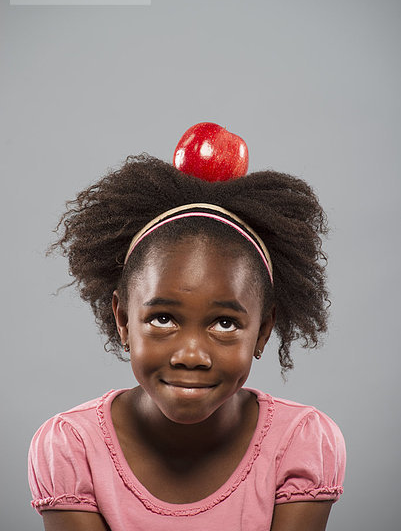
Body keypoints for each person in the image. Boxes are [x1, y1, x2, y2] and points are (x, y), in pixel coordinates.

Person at [28, 142, 346, 531]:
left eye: (225, 324)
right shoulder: (71, 449)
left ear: (263, 331)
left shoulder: (301, 445)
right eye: (163, 318)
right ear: (124, 320)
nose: (191, 354)